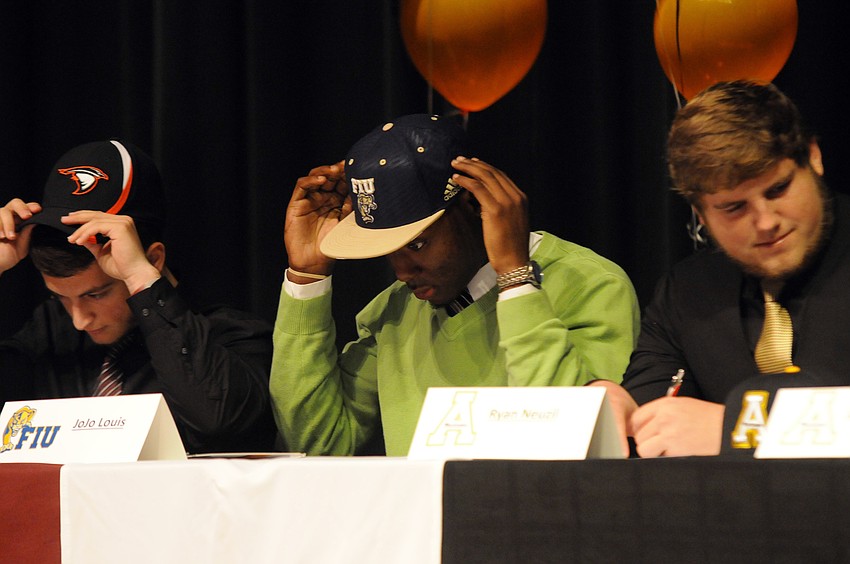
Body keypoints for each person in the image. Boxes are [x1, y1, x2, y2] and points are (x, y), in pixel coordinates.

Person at [270, 114, 639, 456]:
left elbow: (578, 444)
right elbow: (315, 446)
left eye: (417, 244)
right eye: (389, 251)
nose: (401, 271)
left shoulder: (590, 284)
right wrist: (307, 280)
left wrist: (515, 278)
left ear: (473, 203)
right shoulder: (393, 313)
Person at [595, 80, 850, 457]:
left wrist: (740, 429)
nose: (765, 222)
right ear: (701, 214)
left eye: (777, 190)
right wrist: (614, 411)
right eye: (734, 208)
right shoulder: (686, 292)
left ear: (813, 157)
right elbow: (650, 412)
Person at [0, 139, 277, 454]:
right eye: (62, 299)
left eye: (97, 294)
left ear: (153, 259)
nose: (79, 319)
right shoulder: (48, 335)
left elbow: (219, 423)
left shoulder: (233, 336)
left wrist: (142, 280)